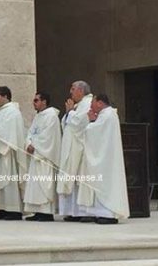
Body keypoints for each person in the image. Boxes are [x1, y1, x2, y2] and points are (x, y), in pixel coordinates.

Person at [77, 94, 130, 224]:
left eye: (92, 104)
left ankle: (108, 214)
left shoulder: (107, 115)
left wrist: (90, 121)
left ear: (100, 103)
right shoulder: (107, 115)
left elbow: (93, 132)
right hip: (105, 157)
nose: (91, 107)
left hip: (106, 159)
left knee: (106, 184)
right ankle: (100, 213)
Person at [0, 86, 27, 221]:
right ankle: (0, 208)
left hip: (5, 153)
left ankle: (13, 210)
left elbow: (8, 134)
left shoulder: (13, 112)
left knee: (7, 180)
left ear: (6, 96)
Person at [57, 81, 93, 221]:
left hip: (82, 149)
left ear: (81, 91)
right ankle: (73, 212)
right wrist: (69, 113)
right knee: (72, 180)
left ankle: (84, 213)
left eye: (72, 89)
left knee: (80, 181)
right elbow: (67, 124)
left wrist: (71, 112)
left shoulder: (88, 103)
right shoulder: (79, 105)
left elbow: (80, 123)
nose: (70, 92)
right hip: (72, 148)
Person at [23, 92, 61, 222]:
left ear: (44, 102)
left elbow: (49, 137)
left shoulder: (52, 116)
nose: (34, 103)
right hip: (36, 155)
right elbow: (30, 132)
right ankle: (38, 211)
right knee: (35, 184)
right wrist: (28, 143)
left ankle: (46, 213)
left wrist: (35, 145)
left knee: (44, 183)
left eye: (36, 100)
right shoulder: (38, 116)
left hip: (45, 157)